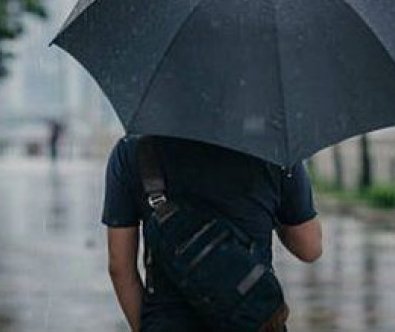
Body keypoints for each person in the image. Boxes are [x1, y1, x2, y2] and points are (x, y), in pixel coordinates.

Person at [103, 134, 322, 332]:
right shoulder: (273, 148)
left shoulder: (133, 149)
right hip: (252, 317)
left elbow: (119, 267)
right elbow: (309, 247)